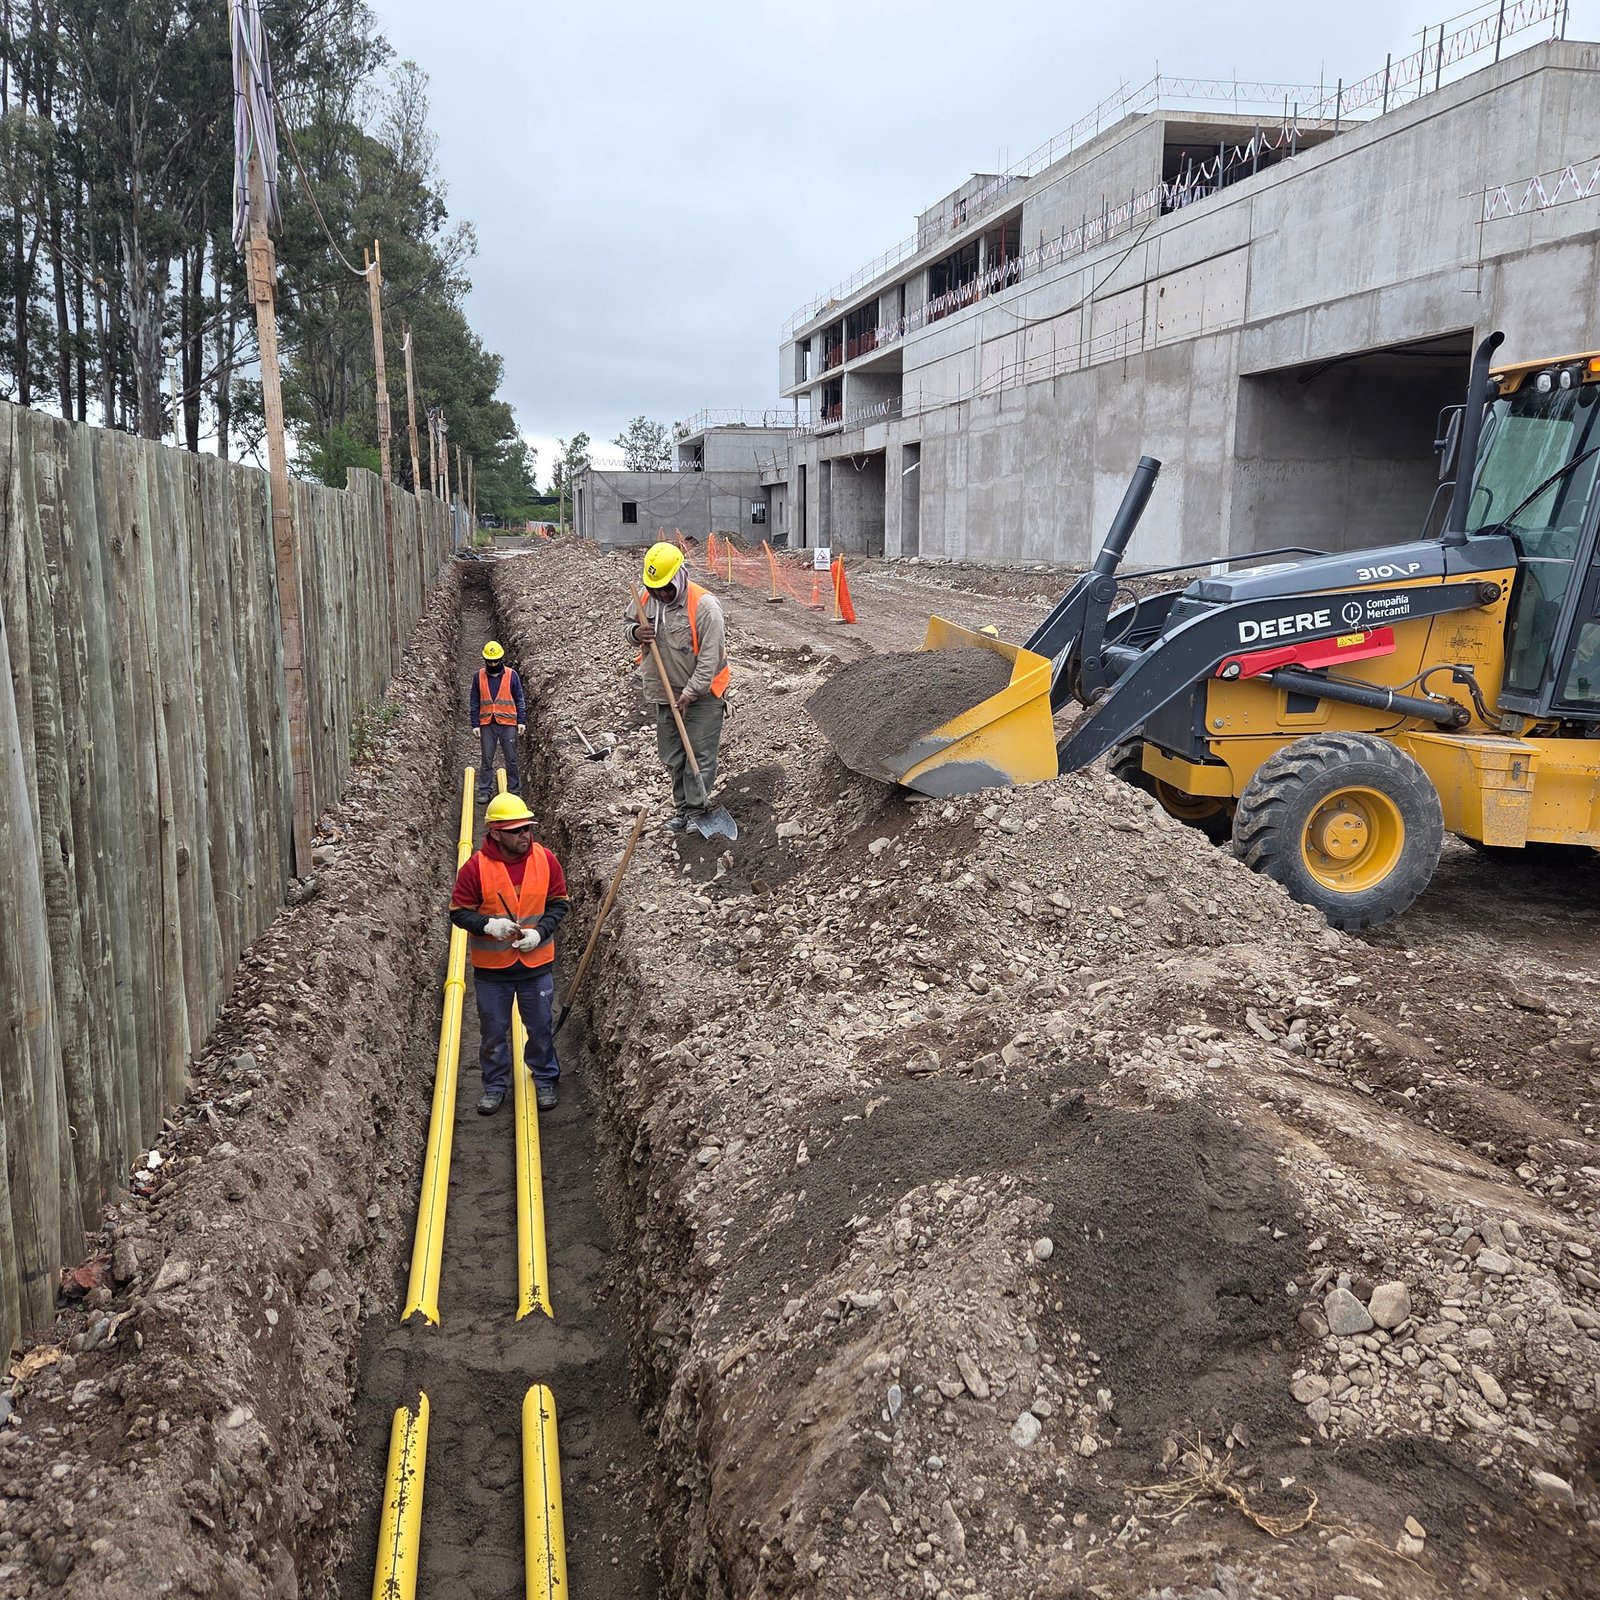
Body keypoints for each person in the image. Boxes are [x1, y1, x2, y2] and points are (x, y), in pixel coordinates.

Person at [449, 792, 568, 1114]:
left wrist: (540, 932)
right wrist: (488, 925)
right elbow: (459, 912)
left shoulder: (546, 860)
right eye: (516, 831)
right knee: (492, 1031)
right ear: (495, 833)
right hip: (493, 971)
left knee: (541, 1026)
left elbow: (559, 903)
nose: (524, 836)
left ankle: (545, 1079)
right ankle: (495, 1085)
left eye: (527, 828)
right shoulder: (475, 867)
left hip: (535, 964)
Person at [624, 541, 731, 832]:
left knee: (699, 754)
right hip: (665, 692)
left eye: (666, 588)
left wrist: (689, 694)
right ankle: (683, 809)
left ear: (680, 576)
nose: (661, 594)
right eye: (655, 588)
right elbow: (627, 626)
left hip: (703, 694)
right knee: (673, 755)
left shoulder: (705, 606)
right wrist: (636, 632)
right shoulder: (646, 597)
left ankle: (697, 811)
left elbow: (710, 661)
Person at [472, 642, 525, 804]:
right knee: (487, 758)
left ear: (501, 659)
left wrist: (521, 720)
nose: (493, 664)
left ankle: (514, 790)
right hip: (488, 723)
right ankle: (485, 790)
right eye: (490, 661)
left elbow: (519, 698)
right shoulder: (478, 676)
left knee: (511, 758)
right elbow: (474, 701)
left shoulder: (511, 675)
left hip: (508, 723)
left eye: (496, 661)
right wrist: (475, 723)